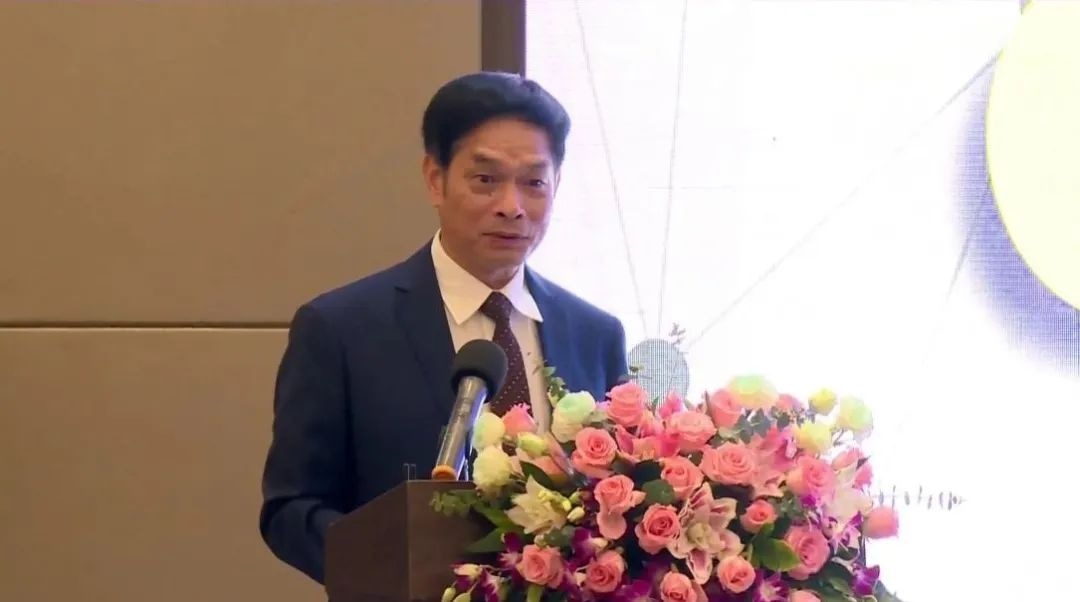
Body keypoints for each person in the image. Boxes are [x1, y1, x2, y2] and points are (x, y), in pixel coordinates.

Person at [258, 71, 628, 584]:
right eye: (485, 180)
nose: (511, 206)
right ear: (435, 179)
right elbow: (291, 509)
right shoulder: (341, 329)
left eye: (534, 183)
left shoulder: (595, 334)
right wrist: (397, 573)